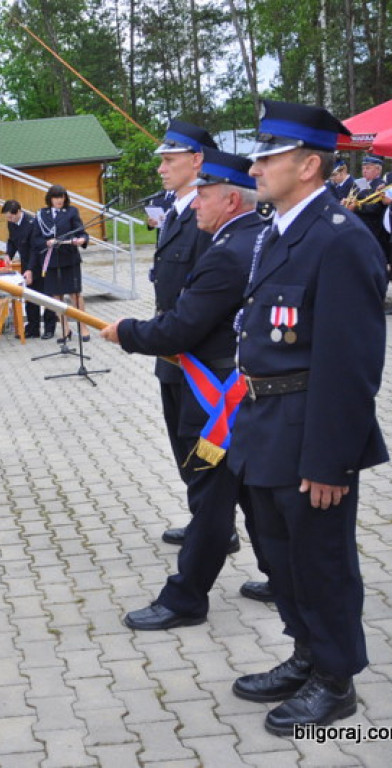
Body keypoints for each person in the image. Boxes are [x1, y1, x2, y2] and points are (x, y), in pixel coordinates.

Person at [226, 100, 387, 736]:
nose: (256, 166)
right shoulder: (279, 230)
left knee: (321, 559)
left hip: (309, 430)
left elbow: (350, 367)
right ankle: (305, 653)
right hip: (265, 421)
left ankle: (336, 679)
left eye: (269, 156)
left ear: (310, 164)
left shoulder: (340, 239)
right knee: (279, 556)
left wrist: (331, 461)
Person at [101, 148, 270, 629]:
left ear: (231, 200)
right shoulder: (259, 240)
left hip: (217, 400)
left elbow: (180, 329)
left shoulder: (227, 254)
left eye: (205, 196)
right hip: (243, 392)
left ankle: (186, 598)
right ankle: (281, 575)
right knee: (253, 494)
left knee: (211, 498)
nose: (195, 204)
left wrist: (128, 332)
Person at [147, 120, 225, 547]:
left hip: (198, 358)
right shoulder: (176, 212)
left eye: (169, 160)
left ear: (196, 161)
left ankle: (213, 529)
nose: (161, 168)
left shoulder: (205, 216)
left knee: (202, 449)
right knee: (182, 445)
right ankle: (206, 520)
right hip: (171, 353)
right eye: (162, 160)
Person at [28, 185, 89, 341]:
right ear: (50, 199)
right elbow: (35, 239)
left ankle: (83, 327)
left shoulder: (71, 212)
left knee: (75, 294)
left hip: (69, 259)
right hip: (51, 261)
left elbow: (82, 232)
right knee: (56, 296)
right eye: (56, 197)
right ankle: (65, 329)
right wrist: (47, 243)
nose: (59, 200)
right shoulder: (41, 214)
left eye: (62, 197)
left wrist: (82, 240)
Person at [2, 200, 53, 339]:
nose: (9, 220)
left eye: (11, 217)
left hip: (39, 263)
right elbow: (12, 240)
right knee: (30, 297)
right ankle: (33, 328)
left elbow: (35, 249)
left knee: (45, 296)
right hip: (26, 263)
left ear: (18, 212)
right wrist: (8, 254)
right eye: (7, 217)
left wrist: (30, 269)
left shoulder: (32, 223)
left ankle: (49, 328)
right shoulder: (11, 223)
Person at [344, 154, 390, 268]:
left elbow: (375, 208)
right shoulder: (359, 184)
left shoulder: (381, 186)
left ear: (378, 170)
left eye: (368, 168)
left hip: (374, 229)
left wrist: (356, 207)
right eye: (363, 168)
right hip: (360, 226)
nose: (364, 171)